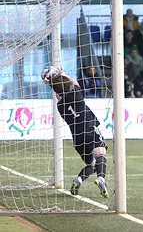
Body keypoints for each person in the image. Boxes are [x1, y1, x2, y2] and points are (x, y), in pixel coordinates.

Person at [42, 67, 109, 198]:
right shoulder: (76, 94)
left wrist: (52, 82)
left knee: (92, 164)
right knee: (100, 154)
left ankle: (78, 180)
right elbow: (74, 83)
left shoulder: (60, 106)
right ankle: (101, 178)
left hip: (77, 139)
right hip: (90, 130)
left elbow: (60, 92)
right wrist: (62, 74)